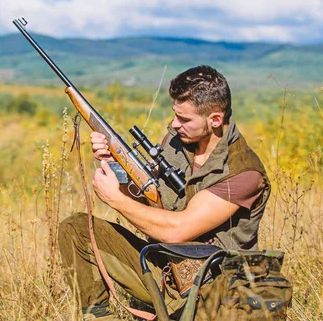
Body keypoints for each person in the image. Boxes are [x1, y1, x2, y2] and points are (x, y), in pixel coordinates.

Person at [58, 65, 270, 320]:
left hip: (216, 289)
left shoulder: (243, 173)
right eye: (175, 115)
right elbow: (150, 197)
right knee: (76, 228)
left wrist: (114, 199)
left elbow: (177, 230)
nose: (174, 124)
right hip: (163, 268)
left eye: (184, 119)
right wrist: (114, 164)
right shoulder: (177, 143)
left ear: (215, 119)